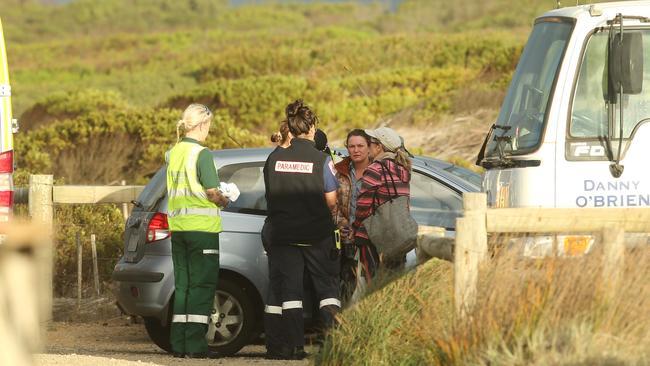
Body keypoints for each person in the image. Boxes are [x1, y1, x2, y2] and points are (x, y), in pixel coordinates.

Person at [263, 99, 340, 360]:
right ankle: (332, 345)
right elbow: (331, 200)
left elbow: (270, 195)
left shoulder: (274, 159)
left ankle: (295, 347)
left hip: (283, 235)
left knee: (291, 293)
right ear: (312, 128)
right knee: (327, 290)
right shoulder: (321, 160)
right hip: (317, 235)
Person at [165, 104, 231, 359]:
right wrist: (225, 200)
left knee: (183, 286)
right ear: (202, 124)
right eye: (209, 126)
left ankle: (179, 344)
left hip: (179, 229)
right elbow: (212, 192)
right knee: (202, 286)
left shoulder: (173, 153)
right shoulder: (202, 154)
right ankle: (195, 345)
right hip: (202, 230)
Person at [351, 127, 412, 281]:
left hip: (374, 238)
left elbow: (364, 206)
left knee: (374, 283)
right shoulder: (403, 169)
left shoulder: (375, 169)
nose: (369, 147)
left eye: (370, 143)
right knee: (394, 281)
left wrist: (355, 229)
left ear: (379, 147)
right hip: (398, 235)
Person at [332, 129, 371, 301]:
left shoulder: (377, 172)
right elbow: (333, 204)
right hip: (346, 241)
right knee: (347, 289)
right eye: (352, 146)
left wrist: (362, 229)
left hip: (371, 240)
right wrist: (343, 225)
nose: (356, 150)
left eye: (360, 146)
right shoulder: (339, 171)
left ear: (369, 147)